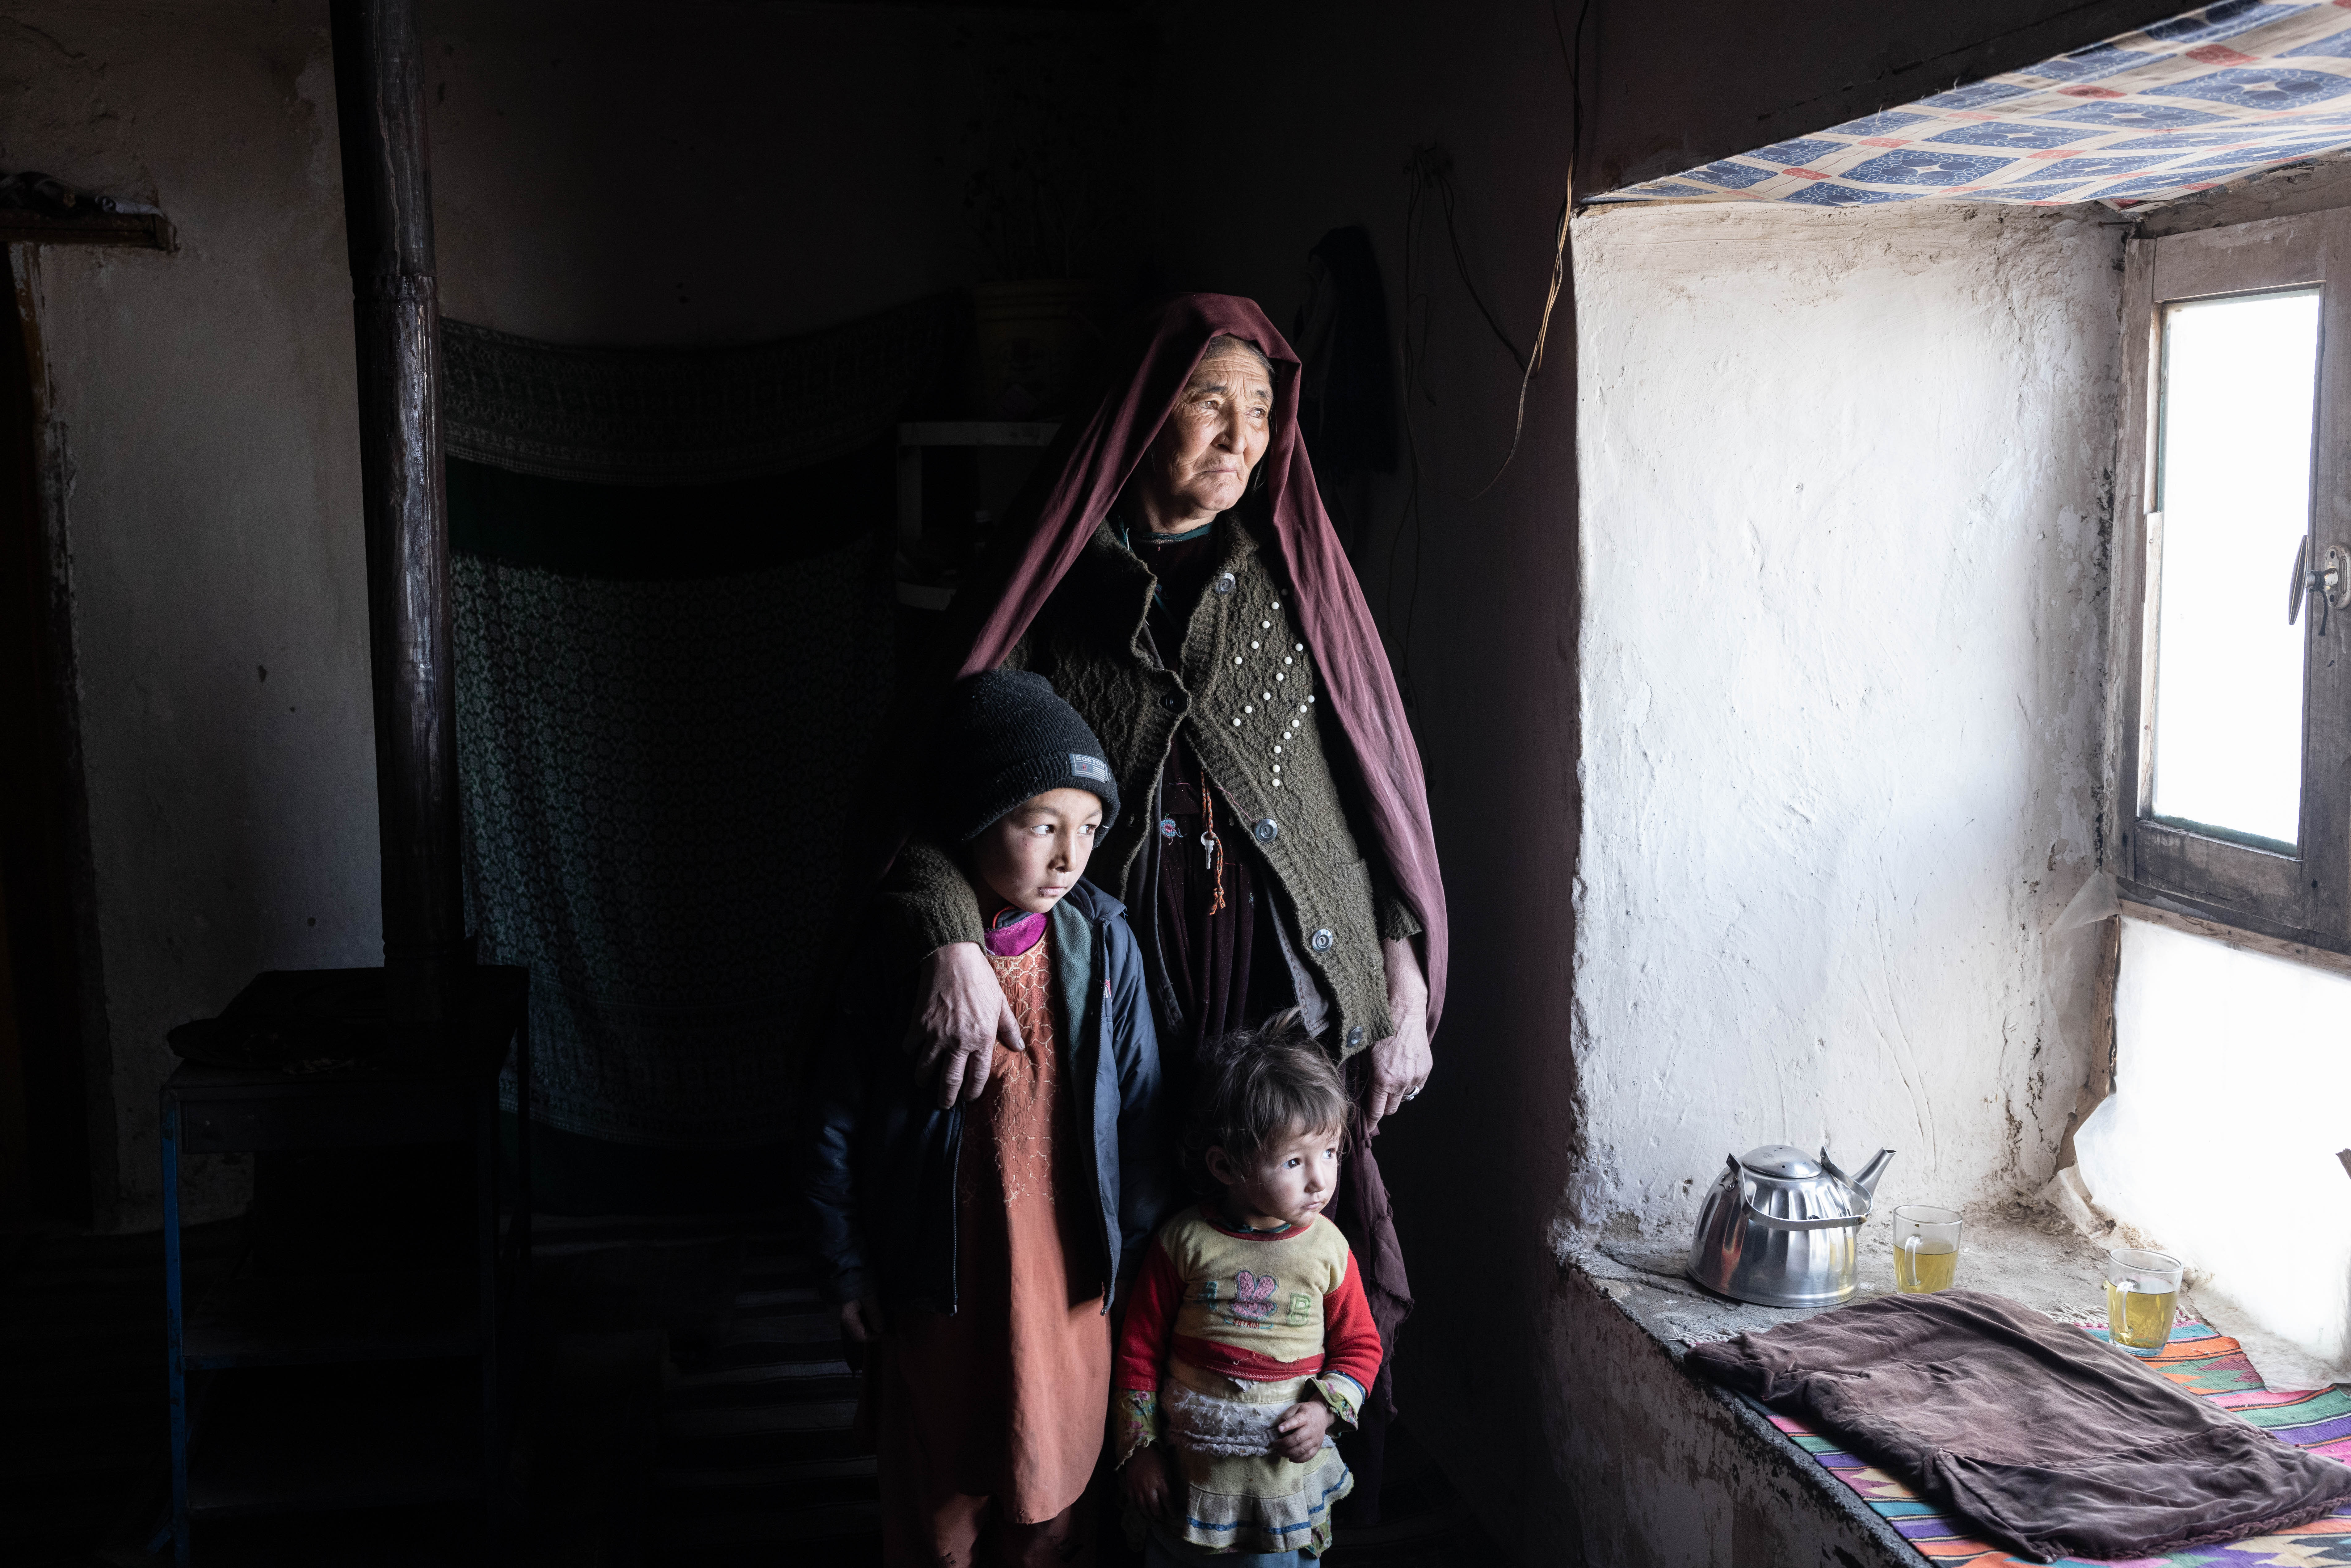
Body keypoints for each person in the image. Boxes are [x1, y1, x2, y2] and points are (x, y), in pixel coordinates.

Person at [879, 295, 1446, 1506]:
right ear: (1140, 422)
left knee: (1293, 1256)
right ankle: (1129, 1507)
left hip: (1286, 994)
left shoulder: (1293, 593)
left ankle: (1275, 1512)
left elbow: (1371, 797)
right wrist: (949, 937)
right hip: (1124, 999)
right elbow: (924, 807)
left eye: (1258, 418)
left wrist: (1404, 981)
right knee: (1128, 1265)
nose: (1241, 442)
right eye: (1209, 409)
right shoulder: (1045, 593)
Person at [807, 669, 1169, 1567]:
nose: (1068, 856)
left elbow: (1142, 1110)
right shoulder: (903, 953)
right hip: (942, 1271)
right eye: (1040, 823)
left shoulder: (1103, 944)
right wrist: (845, 1264)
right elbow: (834, 1120)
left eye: (1088, 828)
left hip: (1067, 1274)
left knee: (1049, 1488)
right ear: (972, 816)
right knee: (939, 1492)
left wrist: (1140, 1255)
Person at [1110, 1012, 1383, 1563]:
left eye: (1329, 1152)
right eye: (1293, 1160)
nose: (1321, 1179)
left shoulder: (1329, 1250)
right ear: (1227, 1166)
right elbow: (1137, 1352)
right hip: (1191, 1487)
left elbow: (1361, 1347)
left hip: (1280, 1492)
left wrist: (1324, 1412)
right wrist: (1139, 1451)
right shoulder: (1185, 1242)